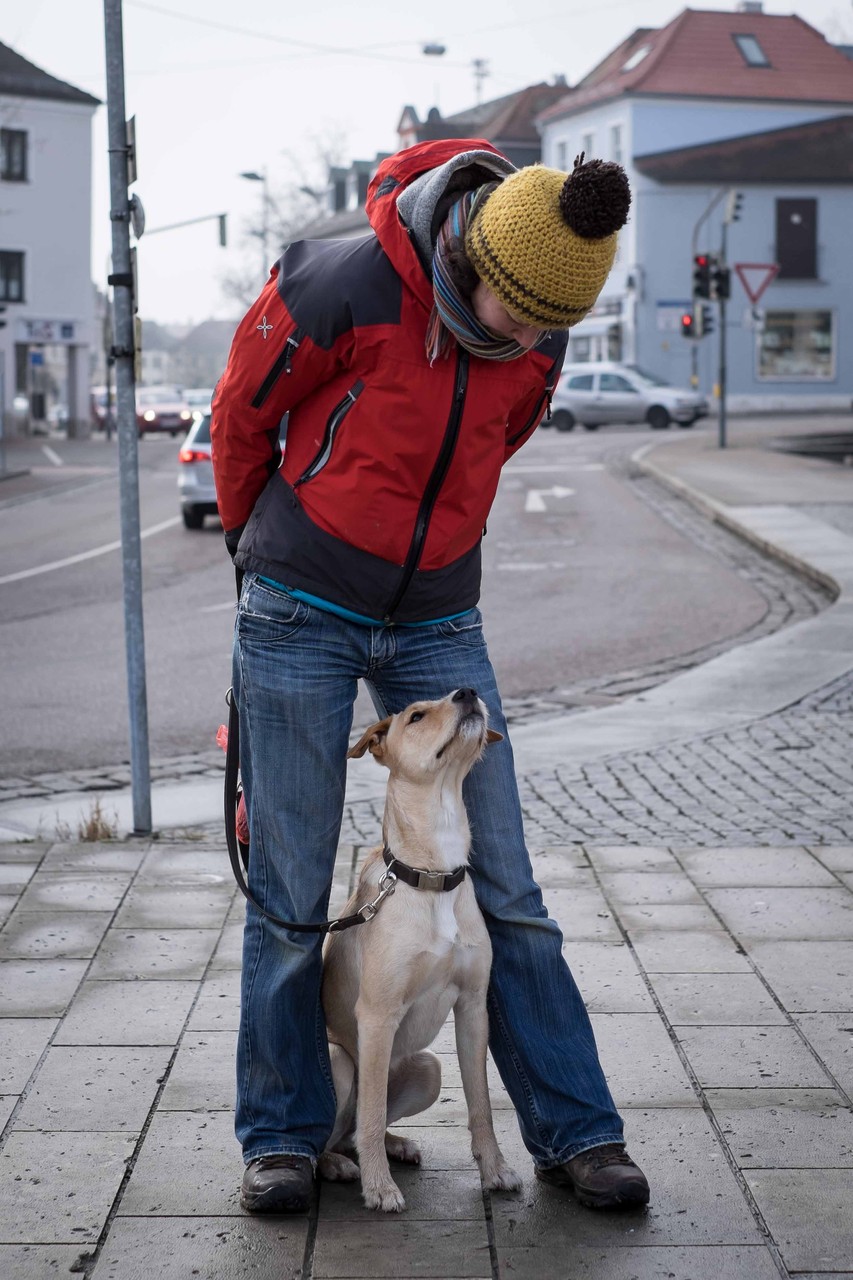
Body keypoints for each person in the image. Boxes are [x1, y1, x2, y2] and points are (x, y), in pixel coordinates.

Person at [211, 137, 649, 1216]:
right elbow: (241, 415)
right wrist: (261, 554)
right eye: (520, 315)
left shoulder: (540, 330)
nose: (533, 340)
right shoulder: (337, 282)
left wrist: (440, 540)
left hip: (440, 615)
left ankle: (577, 1133)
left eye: (551, 326)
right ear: (472, 260)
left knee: (508, 885)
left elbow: (497, 438)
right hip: (302, 605)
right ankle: (284, 1135)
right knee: (290, 889)